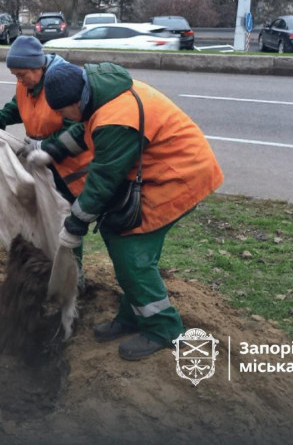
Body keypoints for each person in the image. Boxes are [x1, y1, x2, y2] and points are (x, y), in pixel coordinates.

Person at [43, 61, 223, 361]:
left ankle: (164, 328)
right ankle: (133, 315)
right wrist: (51, 150)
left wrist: (76, 224)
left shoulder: (116, 118)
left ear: (77, 100)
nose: (61, 118)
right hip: (161, 169)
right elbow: (84, 129)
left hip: (178, 176)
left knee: (132, 254)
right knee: (118, 238)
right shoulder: (100, 92)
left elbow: (103, 179)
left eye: (62, 112)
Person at [0, 36, 93, 288]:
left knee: (67, 217)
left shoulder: (61, 83)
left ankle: (74, 274)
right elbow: (16, 107)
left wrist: (47, 147)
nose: (18, 80)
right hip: (41, 161)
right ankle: (48, 261)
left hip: (69, 166)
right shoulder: (25, 84)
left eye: (21, 74)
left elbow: (75, 126)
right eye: (15, 75)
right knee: (41, 212)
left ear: (38, 67)